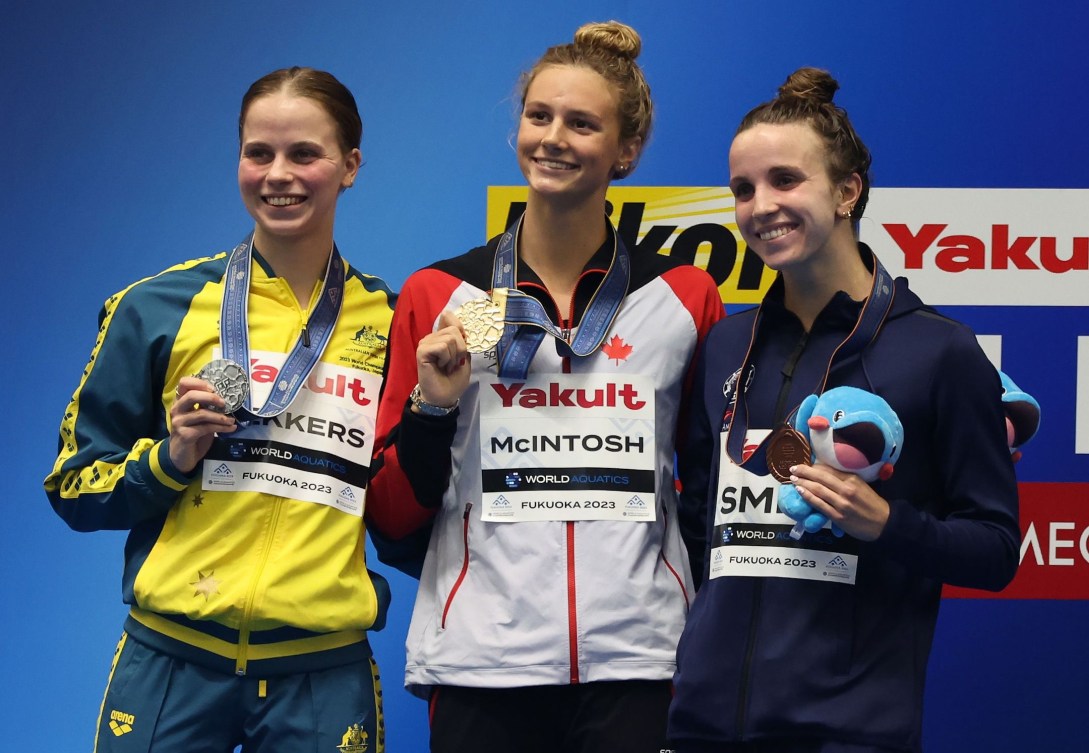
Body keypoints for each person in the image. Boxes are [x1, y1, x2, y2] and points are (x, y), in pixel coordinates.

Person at [366, 20, 723, 753]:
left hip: (638, 661)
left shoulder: (684, 295)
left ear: (625, 151)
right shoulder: (439, 294)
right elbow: (393, 514)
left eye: (582, 123)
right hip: (480, 660)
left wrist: (669, 592)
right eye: (539, 116)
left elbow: (709, 485)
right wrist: (432, 407)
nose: (553, 137)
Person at [667, 67, 1020, 753]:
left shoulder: (938, 351)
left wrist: (887, 523)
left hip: (848, 733)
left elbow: (996, 549)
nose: (759, 205)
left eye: (784, 180)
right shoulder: (723, 345)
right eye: (742, 189)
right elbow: (694, 527)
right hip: (704, 727)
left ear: (846, 192)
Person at [44, 67, 396, 752]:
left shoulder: (391, 320)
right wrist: (168, 460)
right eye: (258, 152)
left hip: (321, 667)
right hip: (173, 659)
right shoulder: (154, 306)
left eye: (304, 153)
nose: (277, 174)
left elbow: (408, 498)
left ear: (349, 165)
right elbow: (72, 485)